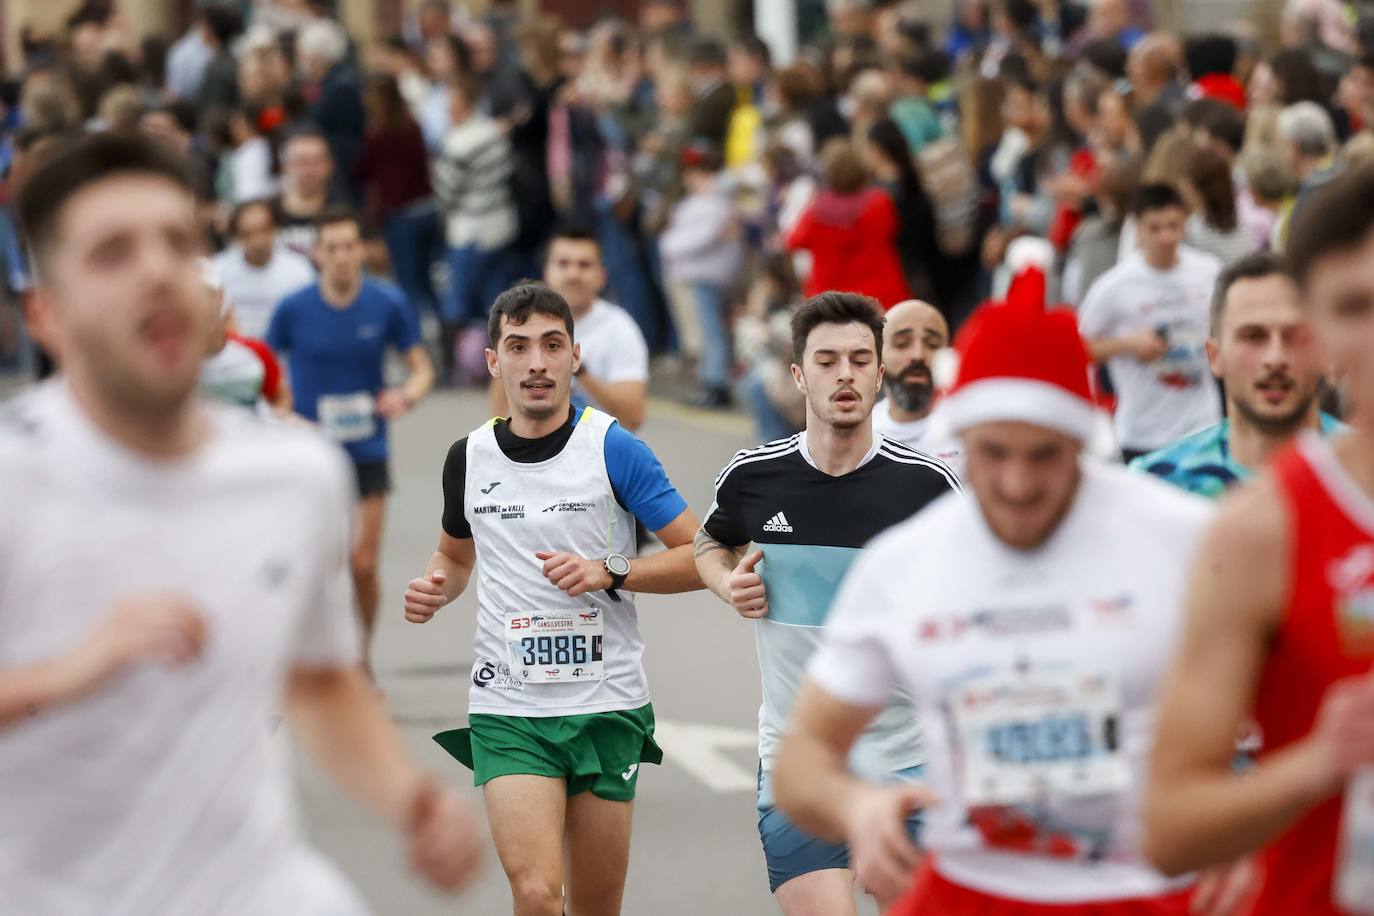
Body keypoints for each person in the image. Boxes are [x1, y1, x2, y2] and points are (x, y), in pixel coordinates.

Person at [1, 130, 481, 914]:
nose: (158, 270)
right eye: (113, 253)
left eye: (178, 242)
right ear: (45, 316)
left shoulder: (295, 475)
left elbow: (318, 677)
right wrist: (70, 672)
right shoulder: (13, 479)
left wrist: (408, 798)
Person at [771, 264, 1216, 915]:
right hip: (969, 892)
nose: (1015, 484)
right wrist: (857, 805)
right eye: (993, 453)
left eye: (1043, 456)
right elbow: (801, 758)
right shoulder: (906, 563)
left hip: (1142, 891)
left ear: (1083, 442)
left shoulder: (1184, 539)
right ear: (960, 441)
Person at [404, 282, 702, 916]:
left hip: (607, 703)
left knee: (595, 907)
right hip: (509, 706)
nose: (535, 362)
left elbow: (701, 558)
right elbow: (455, 557)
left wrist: (610, 570)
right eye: (518, 347)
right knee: (537, 894)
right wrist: (437, 586)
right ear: (493, 361)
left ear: (575, 358)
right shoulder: (469, 456)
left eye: (551, 345)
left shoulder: (614, 448)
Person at [1144, 164, 1374, 916]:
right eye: (1354, 308)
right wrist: (1315, 766)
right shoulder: (1222, 518)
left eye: (1290, 335)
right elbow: (1168, 818)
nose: (1275, 357)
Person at [695, 292, 959, 914]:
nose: (845, 374)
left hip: (911, 765)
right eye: (827, 360)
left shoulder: (929, 487)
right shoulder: (752, 476)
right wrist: (727, 581)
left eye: (860, 360)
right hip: (798, 766)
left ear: (879, 373)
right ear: (798, 375)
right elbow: (711, 539)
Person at [266, 208, 434, 661]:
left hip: (367, 448)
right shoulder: (293, 308)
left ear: (362, 250)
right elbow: (265, 370)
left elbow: (422, 368)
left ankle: (360, 659)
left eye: (349, 246)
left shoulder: (387, 303)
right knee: (321, 564)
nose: (341, 257)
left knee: (361, 564)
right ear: (317, 254)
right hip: (309, 452)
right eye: (332, 248)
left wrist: (407, 396)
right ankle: (319, 658)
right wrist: (281, 411)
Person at [1132, 251, 1343, 498]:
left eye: (1295, 336)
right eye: (1253, 336)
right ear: (1215, 356)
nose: (1275, 359)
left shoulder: (1363, 473)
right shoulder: (1157, 485)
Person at [1080, 183, 1223, 462]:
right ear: (1138, 228)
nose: (1166, 237)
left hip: (1203, 426)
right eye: (1155, 228)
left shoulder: (1209, 271)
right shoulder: (1114, 286)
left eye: (1173, 226)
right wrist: (1127, 344)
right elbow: (1076, 348)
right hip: (1144, 434)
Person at [490, 226, 649, 431]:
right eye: (563, 264)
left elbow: (632, 418)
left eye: (584, 265)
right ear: (547, 272)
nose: (573, 274)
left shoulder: (621, 330)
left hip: (599, 454)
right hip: (537, 454)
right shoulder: (521, 320)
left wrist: (578, 369)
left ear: (602, 276)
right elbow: (501, 393)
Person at [786, 138, 912, 310]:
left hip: (834, 304)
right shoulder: (879, 203)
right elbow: (892, 230)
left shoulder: (815, 213)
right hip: (882, 297)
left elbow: (793, 241)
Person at [872, 299, 964, 474]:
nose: (918, 355)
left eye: (932, 344)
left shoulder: (971, 431)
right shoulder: (861, 435)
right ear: (878, 355)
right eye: (902, 344)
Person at [213, 199, 316, 340]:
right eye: (247, 234)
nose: (257, 241)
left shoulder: (300, 271)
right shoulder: (217, 270)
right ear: (235, 236)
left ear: (275, 228)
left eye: (264, 230)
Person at [275, 129, 349, 260]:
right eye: (302, 162)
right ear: (285, 166)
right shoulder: (269, 212)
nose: (309, 170)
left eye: (317, 161)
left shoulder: (345, 209)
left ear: (330, 165)